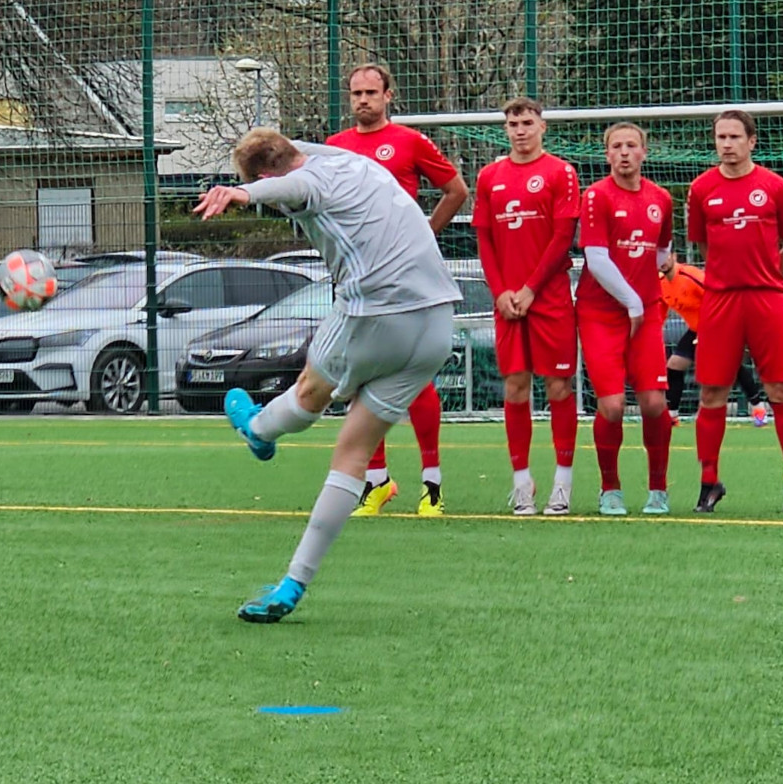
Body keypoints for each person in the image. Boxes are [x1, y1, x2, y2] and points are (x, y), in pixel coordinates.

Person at [194, 129, 462, 622]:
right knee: (354, 451)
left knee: (309, 394)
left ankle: (257, 431)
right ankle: (291, 585)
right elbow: (291, 163)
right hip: (438, 324)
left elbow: (291, 188)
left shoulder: (305, 180)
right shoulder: (348, 160)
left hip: (377, 314)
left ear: (268, 174)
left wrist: (242, 193)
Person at [325, 63, 469, 518]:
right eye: (355, 93)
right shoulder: (335, 148)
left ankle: (432, 483)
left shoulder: (409, 142)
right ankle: (378, 482)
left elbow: (456, 190)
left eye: (371, 92)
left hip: (404, 279)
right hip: (355, 278)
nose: (362, 100)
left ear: (389, 96)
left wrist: (423, 236)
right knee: (358, 378)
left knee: (417, 375)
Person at [687, 109, 783, 514]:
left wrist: (767, 274)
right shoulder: (701, 189)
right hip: (720, 301)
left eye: (735, 137)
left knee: (780, 390)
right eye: (721, 137)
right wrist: (727, 277)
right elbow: (703, 246)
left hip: (766, 299)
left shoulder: (775, 187)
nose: (727, 144)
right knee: (711, 392)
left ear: (751, 141)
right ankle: (709, 483)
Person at [473, 97, 580, 516]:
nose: (520, 129)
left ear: (542, 127)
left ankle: (563, 483)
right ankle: (522, 484)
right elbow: (484, 240)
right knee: (515, 386)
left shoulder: (560, 172)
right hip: (508, 301)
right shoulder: (490, 176)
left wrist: (532, 288)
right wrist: (499, 291)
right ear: (506, 129)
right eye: (513, 123)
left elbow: (562, 236)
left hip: (548, 297)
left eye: (527, 122)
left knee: (558, 387)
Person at [576, 122, 675, 516]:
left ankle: (658, 489)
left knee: (654, 403)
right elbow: (596, 259)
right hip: (602, 313)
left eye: (631, 146)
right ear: (607, 155)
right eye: (616, 146)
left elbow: (662, 247)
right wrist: (632, 301)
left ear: (644, 153)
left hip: (646, 313)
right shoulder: (596, 196)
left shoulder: (661, 199)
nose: (623, 153)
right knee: (613, 406)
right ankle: (610, 489)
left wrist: (661, 270)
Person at [660, 259, 769, 427]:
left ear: (673, 256)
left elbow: (719, 297)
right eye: (657, 257)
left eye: (665, 256)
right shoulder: (660, 283)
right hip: (697, 329)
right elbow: (659, 313)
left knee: (731, 367)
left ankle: (759, 409)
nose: (662, 261)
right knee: (675, 365)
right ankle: (671, 415)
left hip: (718, 323)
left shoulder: (690, 276)